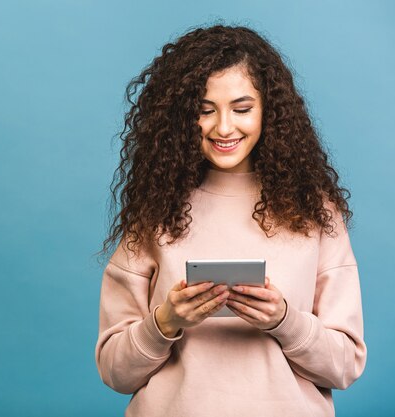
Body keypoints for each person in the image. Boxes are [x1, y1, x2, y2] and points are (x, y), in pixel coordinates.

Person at [94, 23, 366, 417]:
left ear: (269, 110)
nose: (224, 127)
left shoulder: (316, 213)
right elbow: (115, 372)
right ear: (182, 117)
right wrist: (165, 322)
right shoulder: (155, 212)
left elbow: (345, 366)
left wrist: (284, 321)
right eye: (205, 111)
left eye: (242, 109)